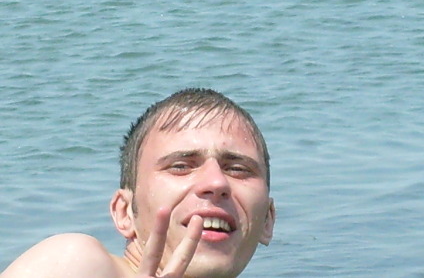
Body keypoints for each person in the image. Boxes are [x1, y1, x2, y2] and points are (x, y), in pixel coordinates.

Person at [1, 88, 276, 278]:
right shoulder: (77, 263)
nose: (216, 182)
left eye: (238, 169)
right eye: (180, 166)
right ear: (124, 212)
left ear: (267, 220)